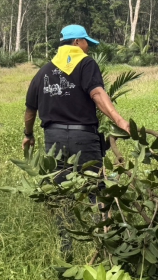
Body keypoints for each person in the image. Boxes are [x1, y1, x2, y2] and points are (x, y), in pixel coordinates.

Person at [23, 24, 131, 175]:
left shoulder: (44, 71)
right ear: (77, 42)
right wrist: (119, 120)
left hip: (54, 140)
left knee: (59, 184)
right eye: (86, 42)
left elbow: (30, 111)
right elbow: (97, 93)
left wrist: (28, 135)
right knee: (92, 184)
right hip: (83, 137)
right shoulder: (87, 64)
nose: (88, 48)